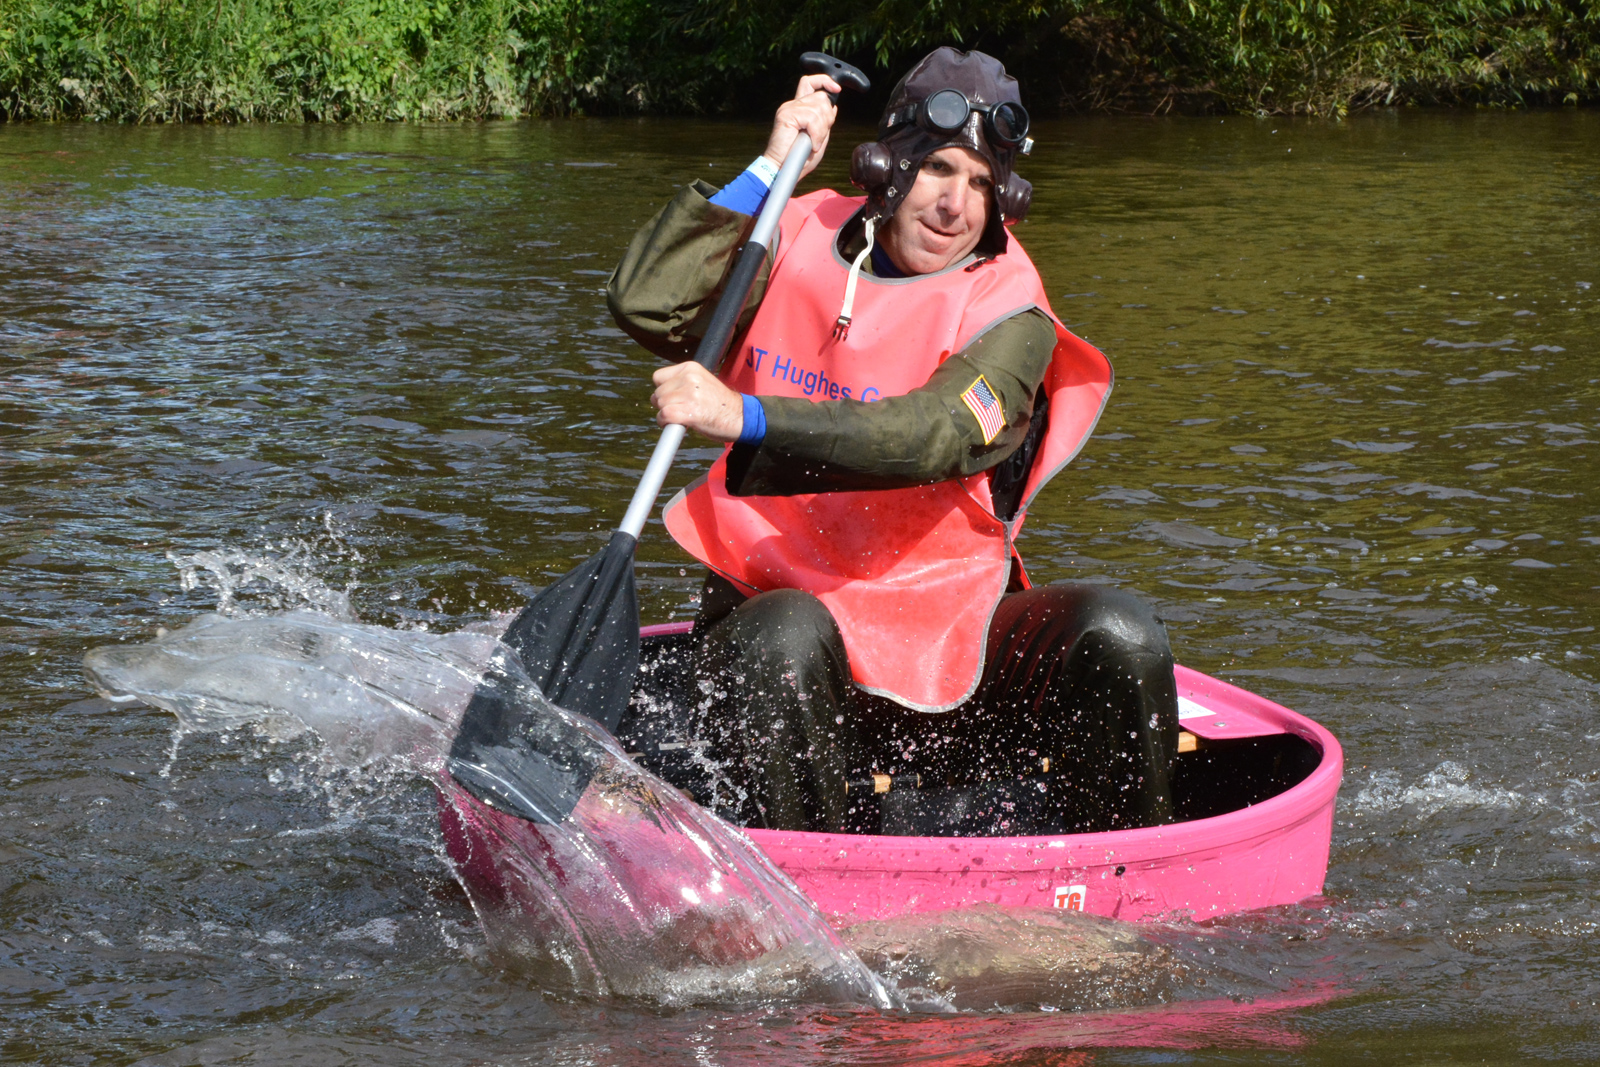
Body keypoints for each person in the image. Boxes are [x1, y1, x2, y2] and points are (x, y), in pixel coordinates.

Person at [607, 47, 1179, 837]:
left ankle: (1135, 880)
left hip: (950, 644)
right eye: (941, 170)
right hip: (781, 634)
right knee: (783, 635)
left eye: (981, 184)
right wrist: (771, 167)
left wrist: (751, 417)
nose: (956, 205)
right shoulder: (797, 226)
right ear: (889, 166)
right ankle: (809, 890)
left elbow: (934, 434)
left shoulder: (1013, 313)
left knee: (1122, 634)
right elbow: (647, 305)